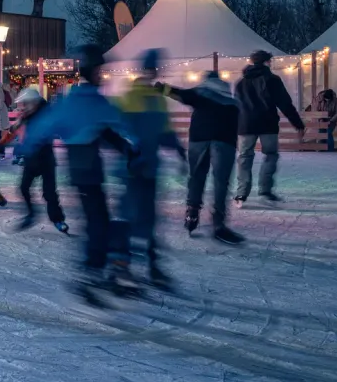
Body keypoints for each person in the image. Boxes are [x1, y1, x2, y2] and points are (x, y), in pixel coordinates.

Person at [20, 45, 139, 304]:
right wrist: (133, 145)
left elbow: (43, 126)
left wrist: (27, 147)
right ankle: (91, 271)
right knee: (98, 221)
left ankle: (102, 267)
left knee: (100, 219)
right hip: (87, 170)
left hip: (83, 170)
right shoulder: (93, 100)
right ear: (92, 71)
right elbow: (118, 123)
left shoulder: (71, 100)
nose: (102, 75)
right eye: (100, 70)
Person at [117, 50, 185, 289]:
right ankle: (122, 266)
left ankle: (153, 268)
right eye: (147, 70)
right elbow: (118, 133)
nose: (150, 74)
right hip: (132, 169)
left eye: (153, 70)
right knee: (130, 217)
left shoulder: (157, 100)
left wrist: (178, 150)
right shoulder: (129, 98)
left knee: (150, 219)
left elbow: (164, 131)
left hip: (151, 169)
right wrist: (128, 155)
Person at [161, 71, 245, 246]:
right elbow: (241, 122)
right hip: (225, 141)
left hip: (199, 138)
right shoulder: (232, 101)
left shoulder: (201, 92)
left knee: (197, 176)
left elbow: (182, 94)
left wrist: (163, 88)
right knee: (221, 182)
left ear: (207, 80)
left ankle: (192, 213)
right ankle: (218, 223)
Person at [234, 50, 305, 204]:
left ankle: (241, 193)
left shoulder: (241, 82)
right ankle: (265, 190)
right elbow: (285, 103)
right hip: (268, 124)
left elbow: (236, 106)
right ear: (267, 62)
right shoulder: (272, 79)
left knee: (244, 157)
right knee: (270, 155)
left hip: (246, 125)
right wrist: (297, 122)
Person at [12, 88, 67, 233]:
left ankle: (57, 219)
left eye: (24, 104)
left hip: (45, 159)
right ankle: (31, 214)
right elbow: (20, 133)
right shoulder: (26, 115)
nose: (21, 107)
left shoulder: (46, 115)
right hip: (31, 160)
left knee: (49, 193)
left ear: (32, 103)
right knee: (23, 188)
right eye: (21, 105)